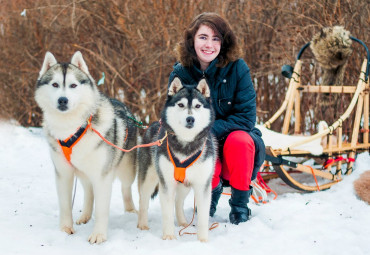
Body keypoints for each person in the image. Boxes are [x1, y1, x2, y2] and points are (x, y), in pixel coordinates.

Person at [168, 12, 265, 225]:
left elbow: (246, 118)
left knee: (240, 140)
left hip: (233, 142)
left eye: (216, 38)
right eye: (203, 37)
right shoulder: (181, 73)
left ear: (224, 42)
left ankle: (240, 207)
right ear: (191, 40)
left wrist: (208, 131)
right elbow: (174, 115)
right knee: (202, 152)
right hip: (199, 143)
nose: (209, 44)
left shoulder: (238, 68)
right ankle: (208, 197)